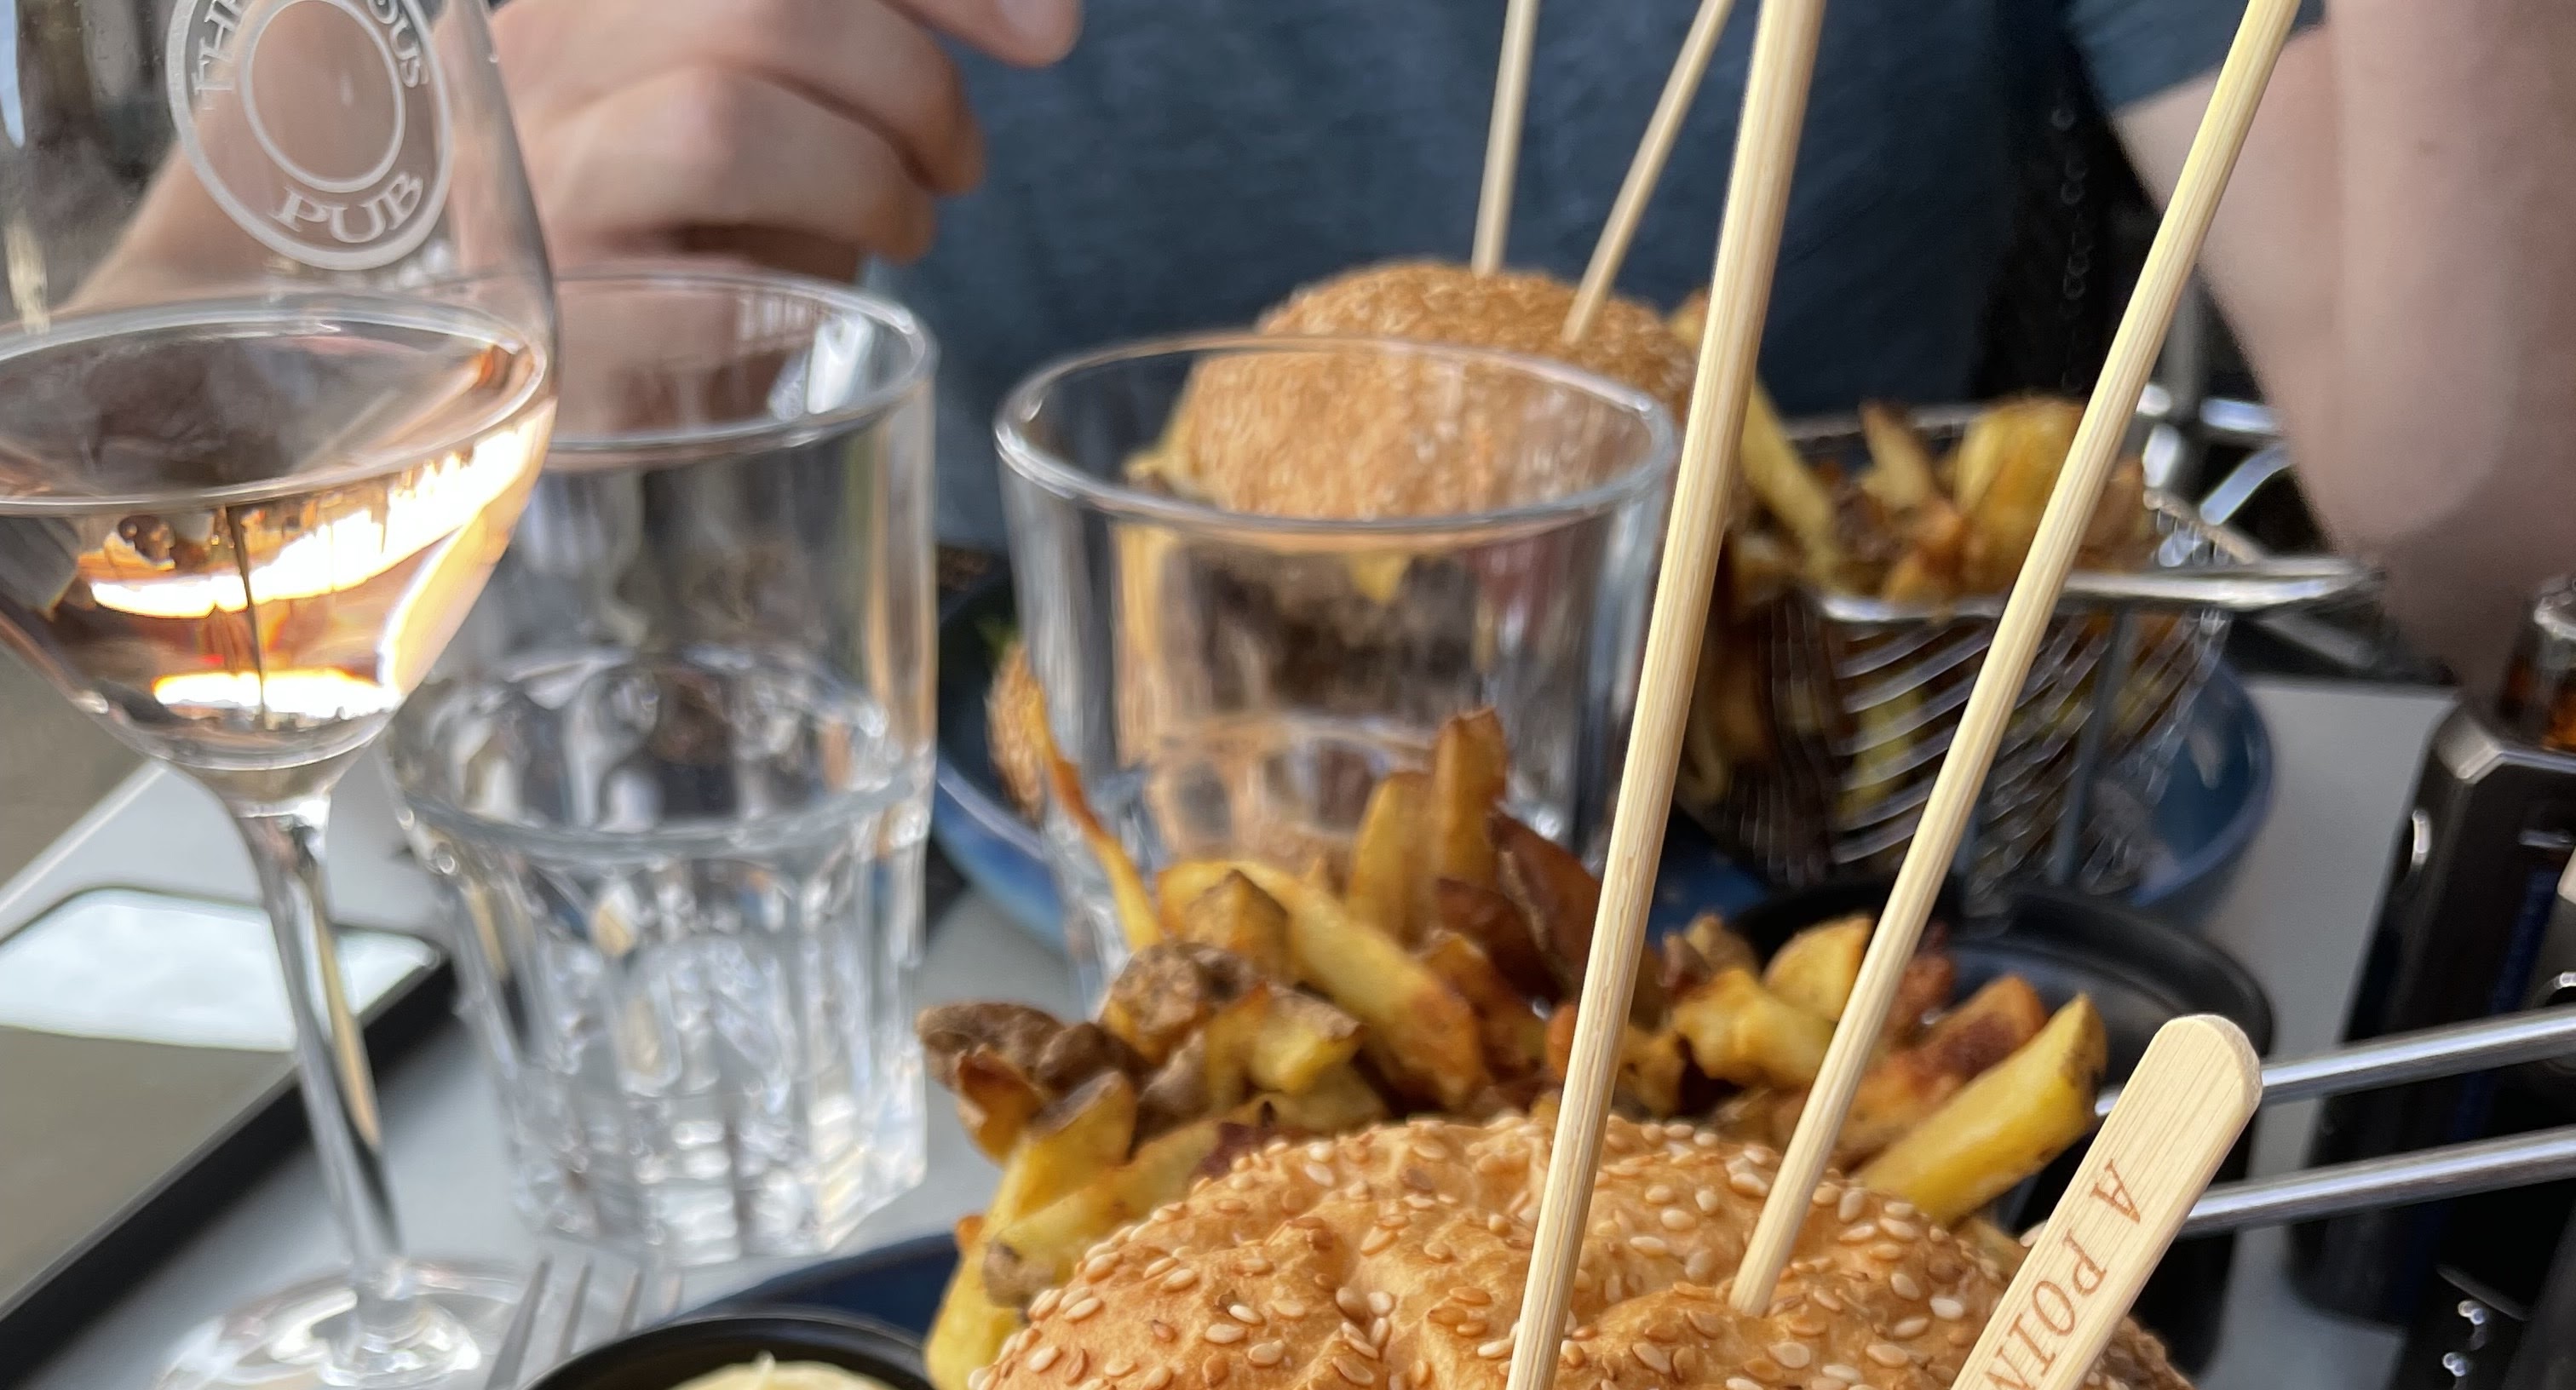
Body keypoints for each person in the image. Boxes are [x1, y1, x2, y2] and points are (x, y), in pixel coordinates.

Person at [494, 0, 2576, 688]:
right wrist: (489, 309)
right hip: (957, 901)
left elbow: (2502, 561)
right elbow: (284, 491)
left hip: (1851, 919)